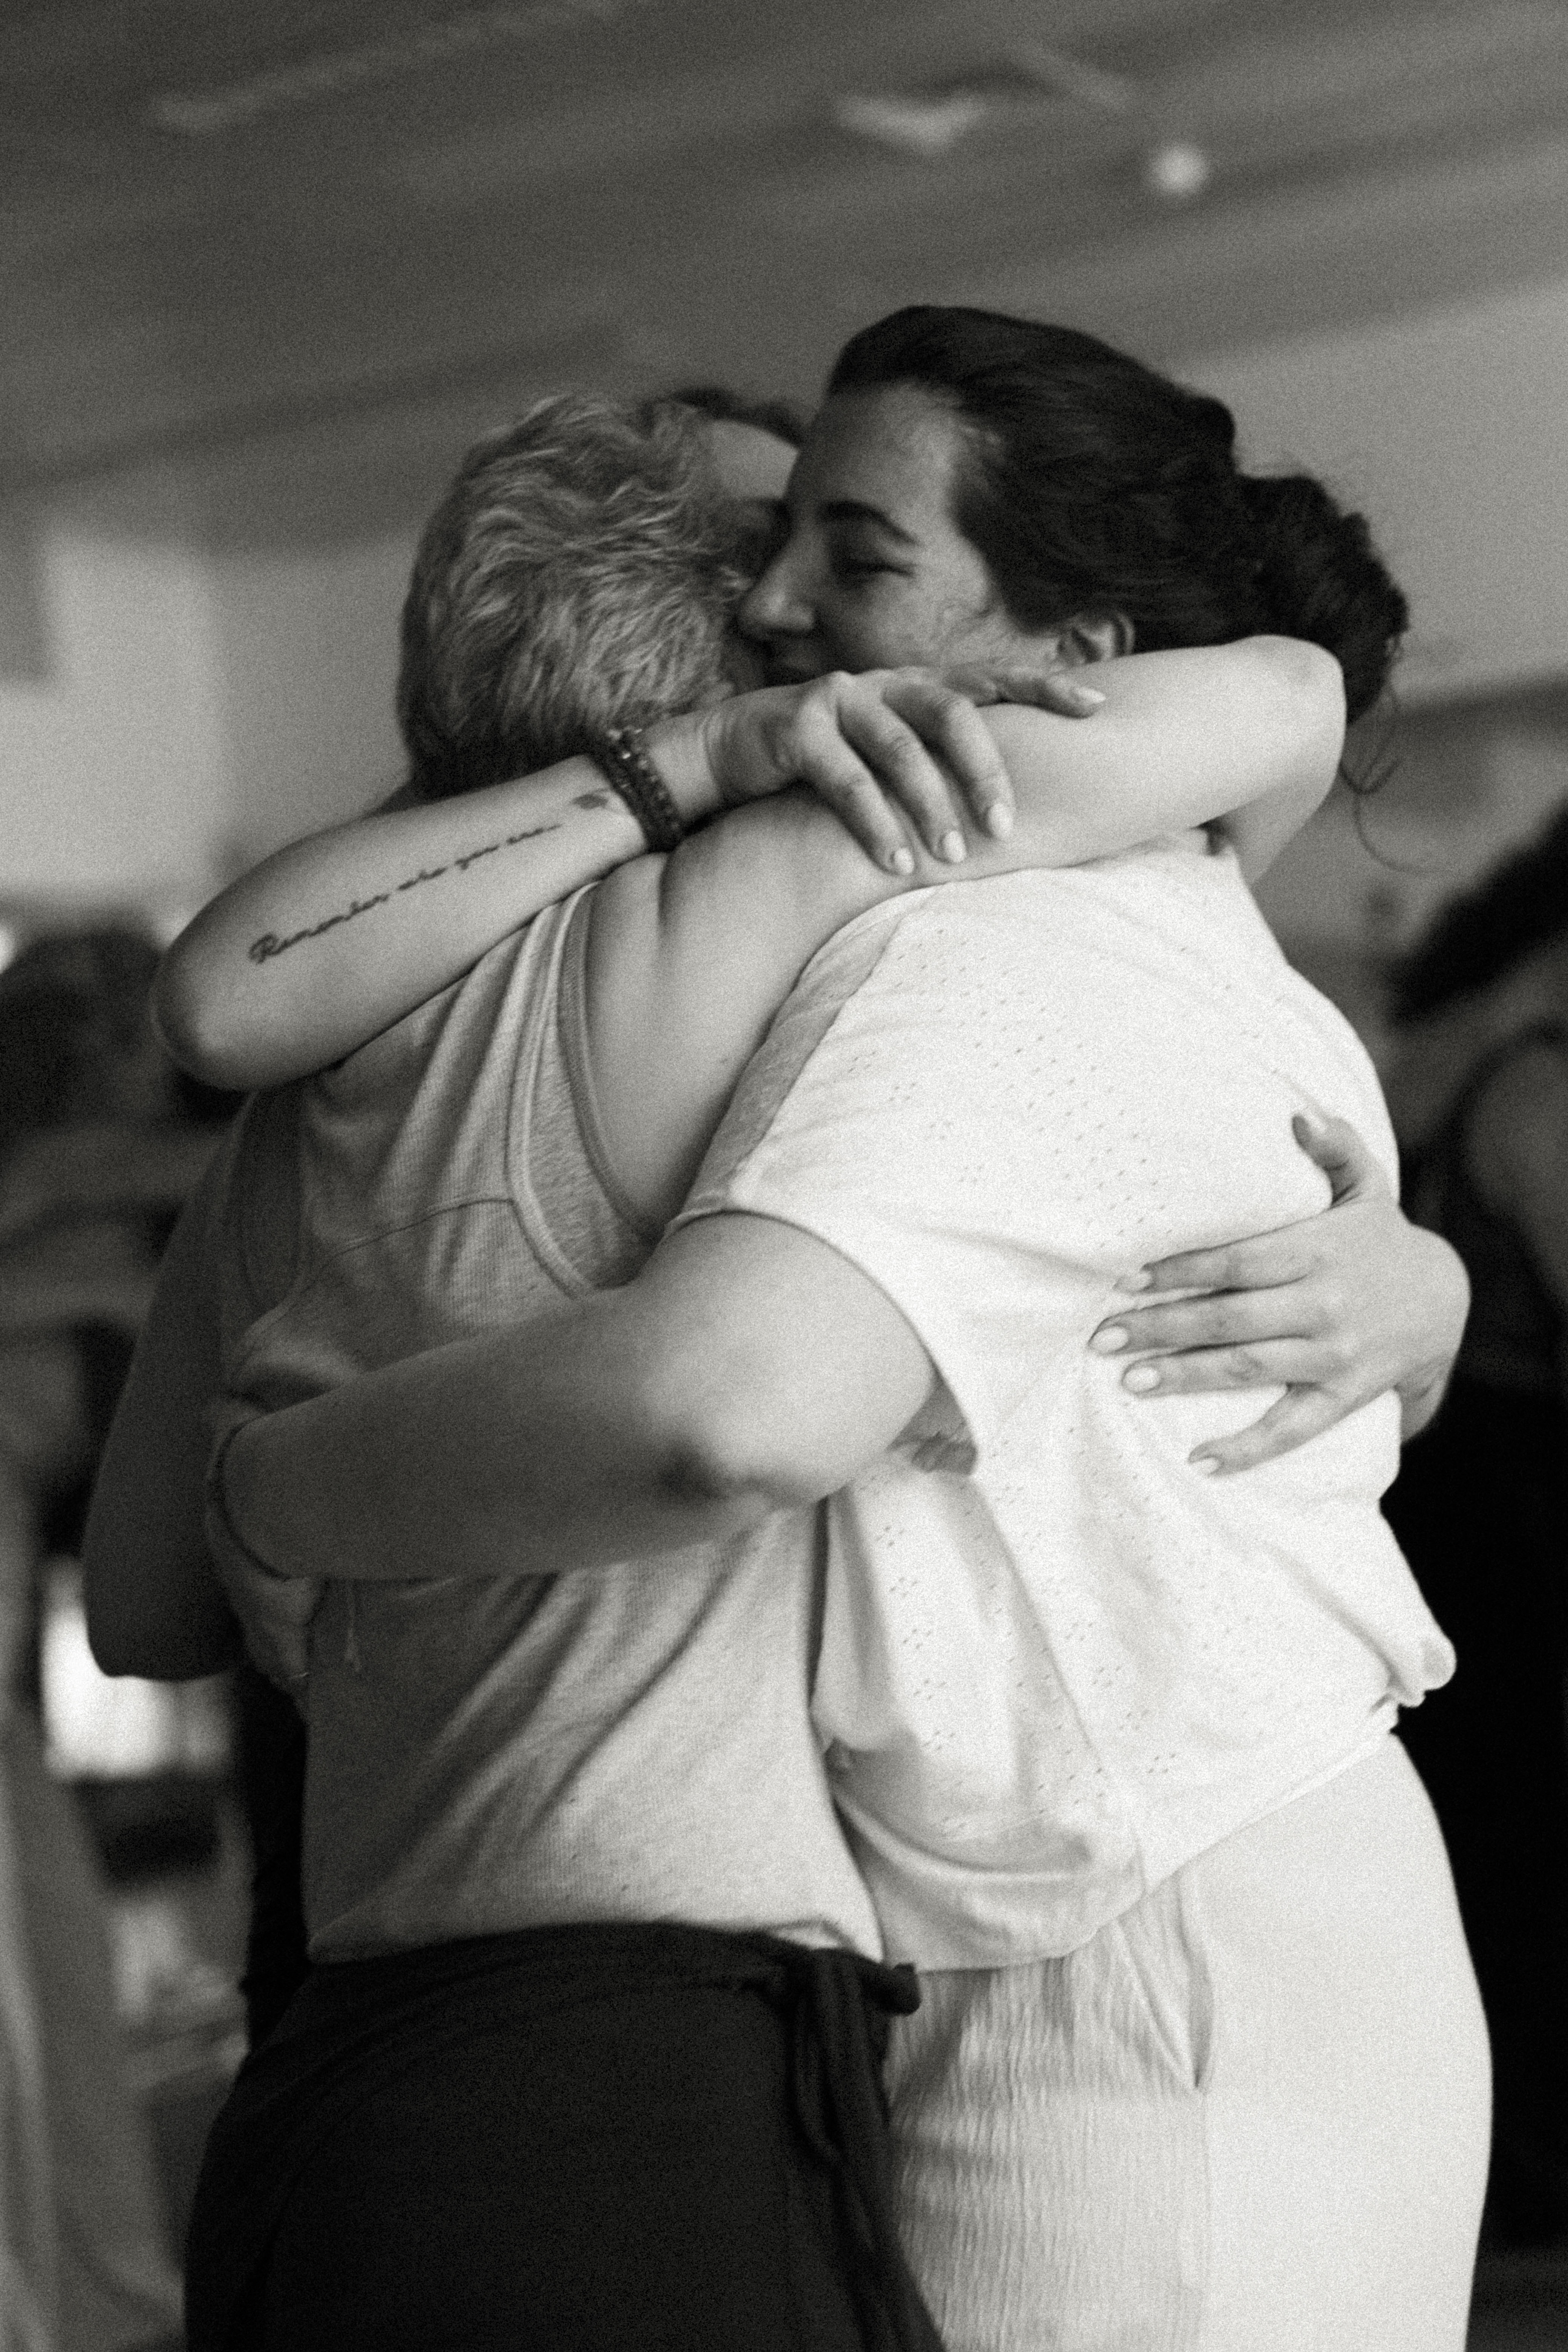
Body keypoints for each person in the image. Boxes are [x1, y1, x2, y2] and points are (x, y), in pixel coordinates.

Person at [93, 349, 1469, 2351]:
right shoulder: (782, 905)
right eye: (779, 559)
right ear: (732, 685)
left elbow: (139, 1603)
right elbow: (1279, 704)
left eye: (853, 547)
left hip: (320, 2071)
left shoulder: (284, 1118)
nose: (799, 612)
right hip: (647, 2062)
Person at [0, 931, 197, 2352]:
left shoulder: (141, 1195)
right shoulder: (56, 1188)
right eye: (123, 1037)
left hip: (21, 1692)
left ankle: (116, 2313)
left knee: (60, 2002)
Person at [1381, 804, 1568, 2248]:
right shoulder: (1533, 1080)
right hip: (1500, 1498)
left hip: (1449, 1490)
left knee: (1488, 1832)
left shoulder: (1470, 1049)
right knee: (1511, 1834)